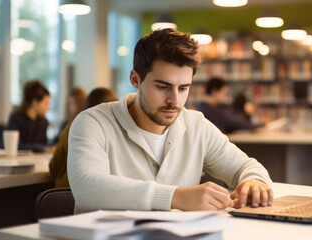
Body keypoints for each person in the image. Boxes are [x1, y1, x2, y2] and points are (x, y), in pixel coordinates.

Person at [68, 28, 273, 214]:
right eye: (162, 86)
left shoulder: (196, 125)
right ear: (135, 80)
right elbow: (87, 188)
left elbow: (246, 167)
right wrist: (175, 197)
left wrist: (254, 182)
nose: (174, 100)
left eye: (183, 88)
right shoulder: (92, 122)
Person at [49, 87, 118, 188]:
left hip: (67, 193)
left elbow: (53, 169)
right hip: (101, 195)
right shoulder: (115, 132)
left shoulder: (73, 126)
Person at [4, 80, 55, 153]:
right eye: (46, 103)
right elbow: (16, 146)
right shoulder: (16, 119)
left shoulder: (43, 122)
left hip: (36, 161)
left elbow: (44, 144)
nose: (48, 108)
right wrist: (41, 148)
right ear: (35, 102)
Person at [197, 77, 262, 134]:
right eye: (224, 93)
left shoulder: (203, 107)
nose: (225, 97)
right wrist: (262, 126)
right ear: (215, 92)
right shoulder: (211, 111)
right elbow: (236, 124)